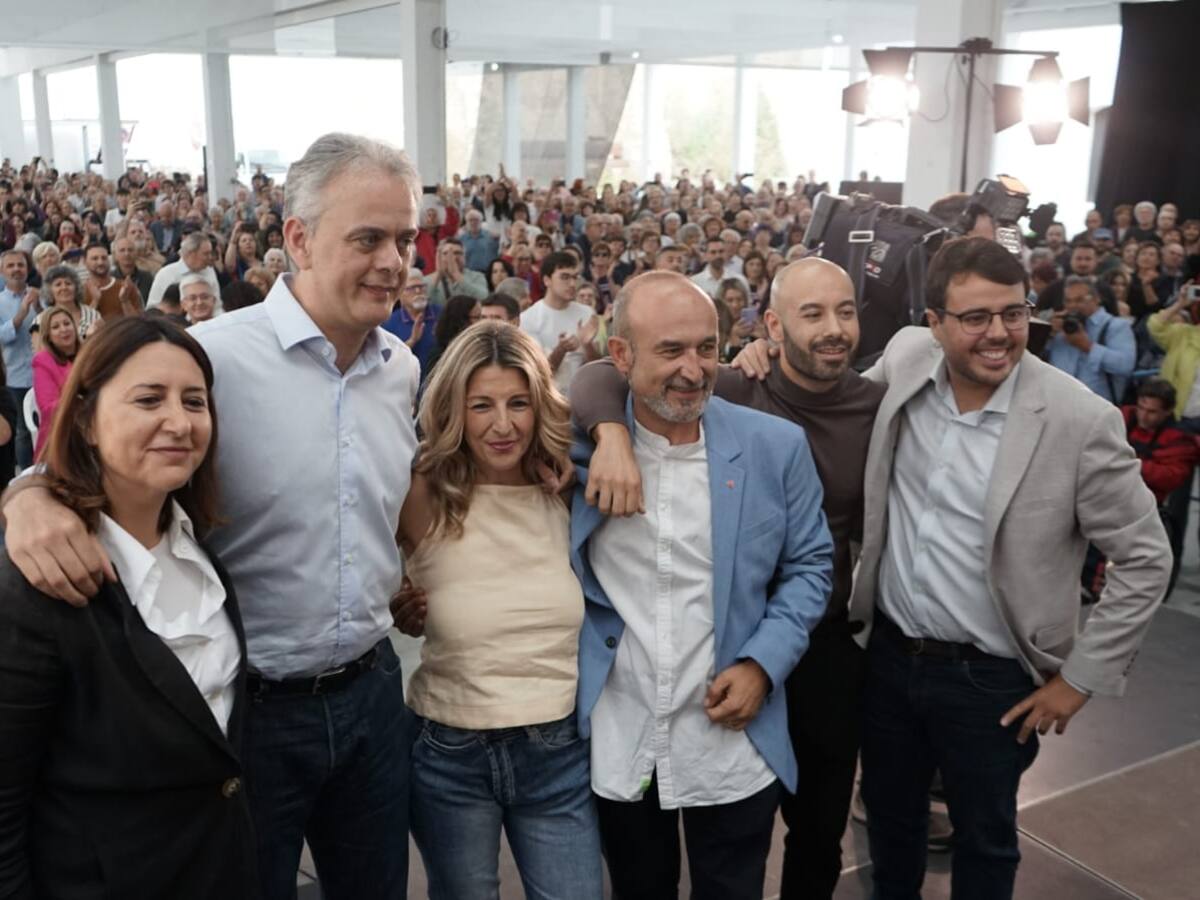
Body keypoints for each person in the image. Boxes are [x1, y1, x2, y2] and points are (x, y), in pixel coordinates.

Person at [2, 133, 423, 900]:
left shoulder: (401, 370)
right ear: (296, 237)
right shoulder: (212, 357)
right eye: (368, 238)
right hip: (248, 714)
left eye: (405, 238)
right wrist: (24, 497)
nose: (394, 261)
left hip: (371, 697)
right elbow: (96, 447)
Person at [848, 237, 1170, 900]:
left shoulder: (1079, 420)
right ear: (932, 322)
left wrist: (1080, 680)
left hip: (992, 684)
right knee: (891, 827)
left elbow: (1145, 557)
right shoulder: (907, 360)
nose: (998, 333)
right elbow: (832, 406)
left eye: (1014, 313)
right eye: (974, 318)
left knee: (985, 842)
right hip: (887, 659)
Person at [573, 257, 886, 899]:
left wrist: (762, 664)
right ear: (621, 356)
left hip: (731, 736)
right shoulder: (580, 451)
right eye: (670, 351)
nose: (693, 370)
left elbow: (810, 566)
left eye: (707, 349)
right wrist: (608, 435)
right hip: (623, 730)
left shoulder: (775, 445)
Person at [0, 315, 256, 898]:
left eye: (195, 401)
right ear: (87, 420)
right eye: (148, 399)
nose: (179, 422)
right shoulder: (34, 585)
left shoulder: (207, 558)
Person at [395, 322, 602, 899]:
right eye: (481, 405)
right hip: (448, 753)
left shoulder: (564, 487)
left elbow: (610, 380)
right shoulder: (421, 491)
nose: (503, 424)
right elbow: (355, 576)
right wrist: (395, 602)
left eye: (518, 403)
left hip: (558, 750)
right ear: (454, 409)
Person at [1046, 275, 1135, 404]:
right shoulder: (1061, 328)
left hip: (1098, 408)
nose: (1073, 306)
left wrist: (1088, 346)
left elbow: (1125, 366)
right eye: (1068, 301)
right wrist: (1047, 334)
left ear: (1096, 299)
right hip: (1059, 405)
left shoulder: (1116, 326)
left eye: (1079, 300)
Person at [519, 250, 599, 391]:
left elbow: (598, 367)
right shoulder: (528, 318)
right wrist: (561, 349)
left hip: (585, 396)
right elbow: (539, 373)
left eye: (575, 277)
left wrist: (588, 345)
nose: (572, 283)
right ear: (546, 280)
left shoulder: (587, 313)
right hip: (551, 398)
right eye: (565, 277)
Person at [0, 249, 38, 468]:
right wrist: (21, 314)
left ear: (27, 268)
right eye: (11, 265)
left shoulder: (38, 295)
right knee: (22, 431)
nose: (16, 269)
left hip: (41, 373)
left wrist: (39, 306)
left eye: (20, 265)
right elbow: (2, 337)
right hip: (14, 376)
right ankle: (24, 474)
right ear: (2, 271)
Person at [30, 306, 79, 458]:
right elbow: (48, 408)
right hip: (61, 439)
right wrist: (80, 400)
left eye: (67, 323)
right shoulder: (43, 361)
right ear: (48, 336)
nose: (64, 329)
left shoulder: (89, 353)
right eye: (56, 327)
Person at [383, 267, 440, 372]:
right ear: (400, 295)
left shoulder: (441, 314)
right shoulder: (389, 323)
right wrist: (412, 341)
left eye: (421, 287)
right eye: (412, 288)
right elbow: (386, 362)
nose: (418, 291)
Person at [146, 232, 221, 307]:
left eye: (210, 253)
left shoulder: (209, 271)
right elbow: (152, 307)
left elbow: (217, 304)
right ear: (191, 254)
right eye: (206, 254)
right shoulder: (166, 274)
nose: (210, 257)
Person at [425, 293, 482, 377]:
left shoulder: (481, 347)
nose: (482, 322)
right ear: (462, 321)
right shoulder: (439, 355)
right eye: (477, 317)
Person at [42, 263, 102, 341]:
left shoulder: (93, 315)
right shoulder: (42, 319)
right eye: (58, 284)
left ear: (76, 287)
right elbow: (40, 351)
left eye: (68, 283)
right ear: (50, 291)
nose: (64, 287)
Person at [83, 242, 142, 320]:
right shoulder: (79, 291)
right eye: (95, 258)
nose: (100, 262)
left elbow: (138, 323)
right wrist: (95, 301)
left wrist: (125, 300)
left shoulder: (126, 288)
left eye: (104, 258)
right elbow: (80, 327)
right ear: (85, 262)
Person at [426, 238, 489, 308]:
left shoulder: (477, 276)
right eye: (446, 253)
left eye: (457, 253)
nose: (453, 257)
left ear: (464, 256)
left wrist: (456, 274)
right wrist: (438, 274)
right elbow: (423, 303)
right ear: (439, 258)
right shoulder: (427, 280)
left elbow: (484, 298)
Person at [111, 234, 155, 304]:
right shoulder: (110, 278)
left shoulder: (147, 277)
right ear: (115, 255)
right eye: (122, 250)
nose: (127, 254)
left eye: (130, 250)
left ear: (136, 253)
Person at [460, 207, 499, 273]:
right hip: (469, 274)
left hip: (488, 272)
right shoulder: (461, 239)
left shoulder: (491, 236)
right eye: (470, 220)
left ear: (481, 222)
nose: (473, 222)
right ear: (466, 223)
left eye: (476, 220)